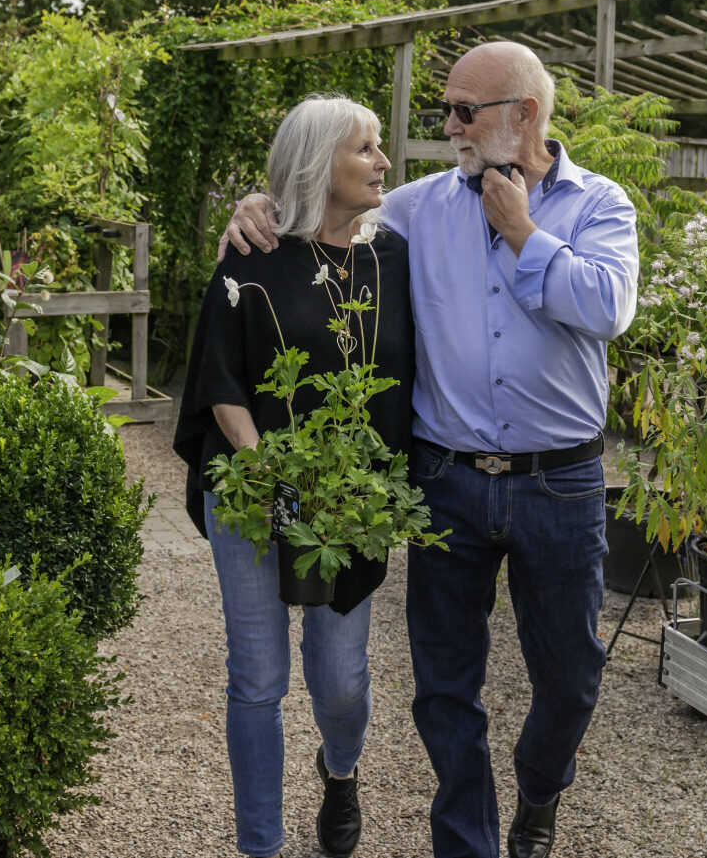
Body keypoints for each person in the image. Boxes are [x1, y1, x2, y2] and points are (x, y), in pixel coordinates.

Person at [219, 41, 640, 858]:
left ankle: (540, 787)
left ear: (522, 114)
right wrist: (255, 204)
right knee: (445, 685)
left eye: (462, 110)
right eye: (444, 107)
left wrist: (523, 233)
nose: (445, 126)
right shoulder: (417, 205)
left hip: (561, 482)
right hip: (444, 476)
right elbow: (324, 213)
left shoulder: (598, 204)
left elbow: (607, 307)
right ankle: (465, 842)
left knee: (571, 674)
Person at [174, 94, 414, 858]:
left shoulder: (393, 259)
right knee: (258, 674)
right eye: (366, 149)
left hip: (348, 501)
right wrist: (272, 475)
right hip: (249, 490)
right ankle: (261, 844)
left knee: (339, 677)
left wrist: (335, 490)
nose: (383, 161)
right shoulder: (250, 257)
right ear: (319, 165)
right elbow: (219, 384)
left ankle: (339, 769)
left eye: (380, 147)